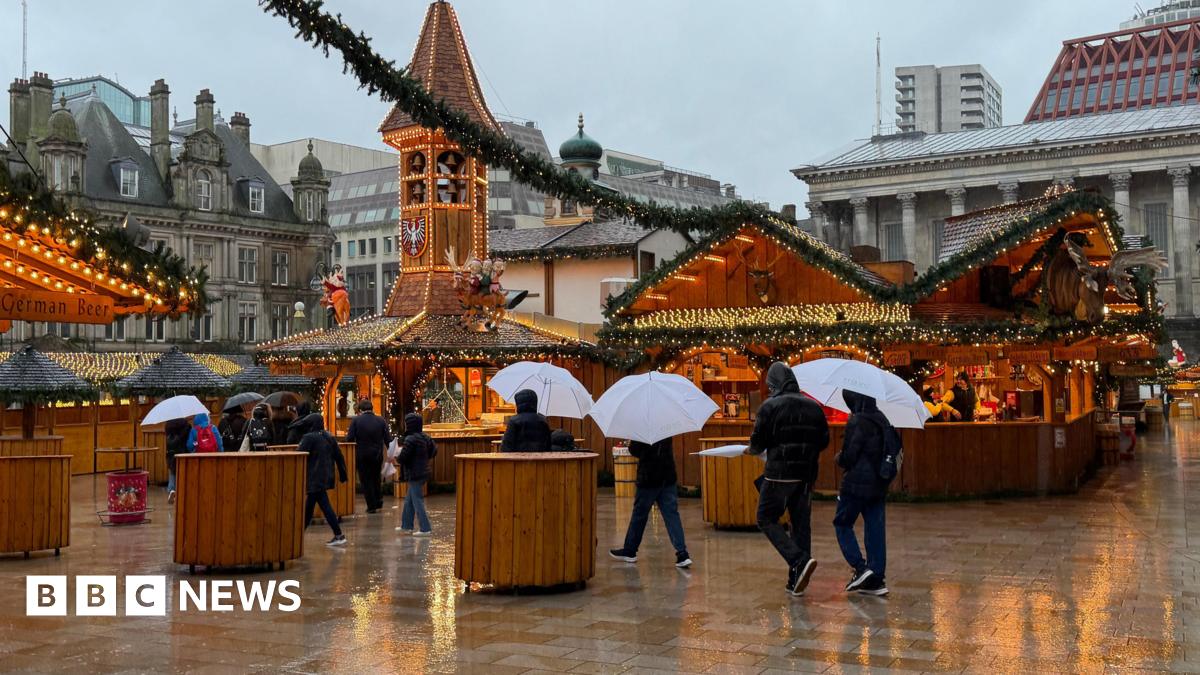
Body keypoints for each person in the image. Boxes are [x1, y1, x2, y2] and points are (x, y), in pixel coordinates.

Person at [747, 361, 830, 597]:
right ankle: (796, 581)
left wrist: (750, 449)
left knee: (765, 518)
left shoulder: (769, 407)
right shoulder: (814, 407)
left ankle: (798, 560)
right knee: (801, 525)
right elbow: (823, 441)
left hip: (778, 475)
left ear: (773, 385)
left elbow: (757, 444)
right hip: (805, 476)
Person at [834, 391, 893, 597]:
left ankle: (860, 568)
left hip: (856, 485)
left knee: (842, 523)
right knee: (875, 528)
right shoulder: (882, 419)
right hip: (878, 483)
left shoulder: (857, 421)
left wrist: (838, 458)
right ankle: (876, 579)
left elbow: (849, 457)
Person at [609, 437, 692, 568]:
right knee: (672, 515)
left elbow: (635, 450)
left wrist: (631, 442)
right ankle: (682, 553)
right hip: (667, 477)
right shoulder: (666, 428)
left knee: (639, 515)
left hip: (649, 478)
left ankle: (630, 550)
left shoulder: (642, 429)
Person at [297, 412, 349, 546]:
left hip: (314, 477)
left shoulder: (309, 438)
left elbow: (299, 454)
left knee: (322, 507)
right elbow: (339, 456)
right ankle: (298, 536)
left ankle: (338, 535)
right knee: (311, 507)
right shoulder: (328, 436)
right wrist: (343, 474)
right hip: (326, 476)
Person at [345, 399, 393, 513]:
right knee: (376, 477)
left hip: (362, 454)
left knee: (366, 480)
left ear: (360, 410)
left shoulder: (356, 420)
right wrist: (391, 453)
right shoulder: (381, 420)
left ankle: (371, 506)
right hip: (377, 454)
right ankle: (378, 500)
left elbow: (350, 438)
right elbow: (388, 439)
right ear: (372, 408)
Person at [396, 413, 436, 536]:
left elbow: (403, 458)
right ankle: (406, 525)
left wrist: (396, 457)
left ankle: (425, 528)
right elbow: (434, 450)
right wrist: (425, 458)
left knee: (417, 501)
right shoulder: (425, 437)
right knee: (409, 500)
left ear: (409, 425)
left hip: (414, 473)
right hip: (423, 471)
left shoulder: (410, 439)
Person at [164, 417, 190, 504]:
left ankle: (171, 490)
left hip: (170, 451)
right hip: (182, 451)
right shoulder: (186, 425)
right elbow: (187, 438)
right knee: (183, 472)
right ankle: (181, 493)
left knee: (172, 471)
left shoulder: (168, 425)